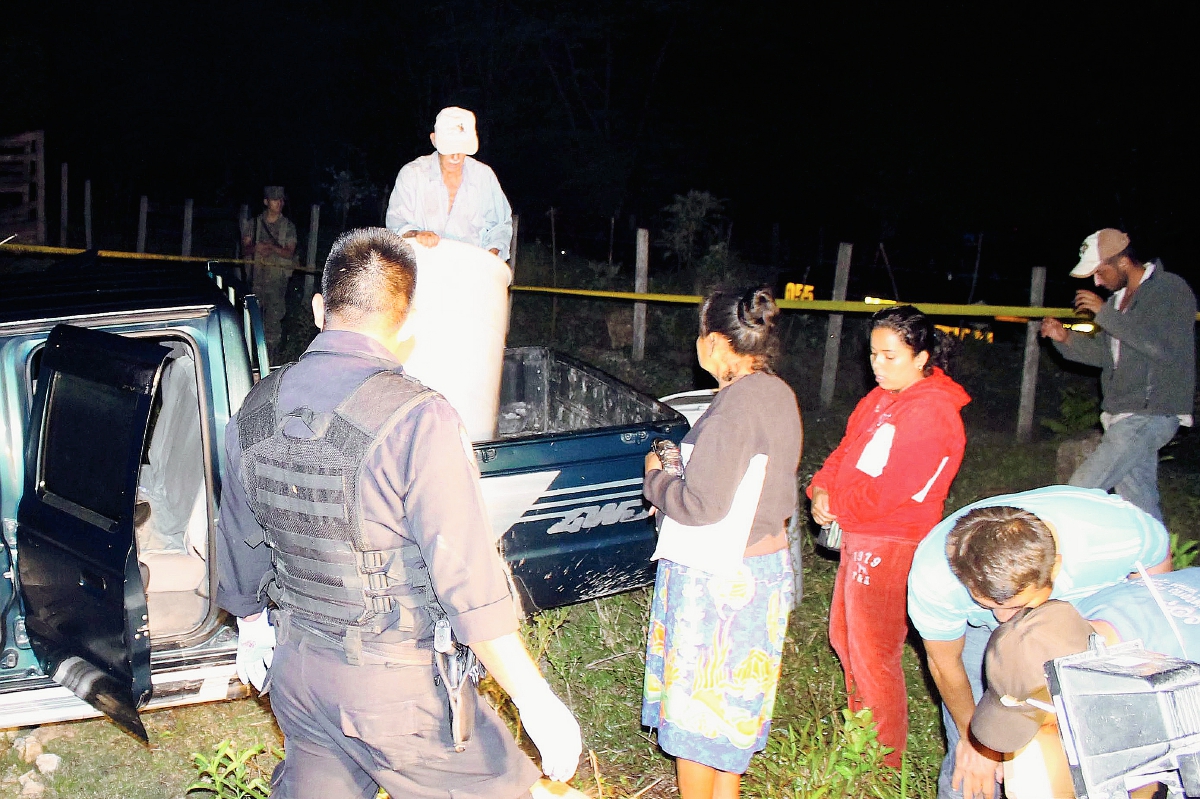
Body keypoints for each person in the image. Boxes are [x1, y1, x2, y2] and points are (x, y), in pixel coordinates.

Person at [215, 227, 581, 798]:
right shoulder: (418, 419)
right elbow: (469, 584)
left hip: (298, 672)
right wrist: (534, 698)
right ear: (408, 324)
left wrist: (253, 631)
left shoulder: (257, 406)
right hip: (396, 692)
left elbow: (238, 543)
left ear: (318, 308)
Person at [641, 287, 802, 799]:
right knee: (728, 714)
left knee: (696, 715)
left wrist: (657, 481)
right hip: (761, 570)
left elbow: (702, 505)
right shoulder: (777, 393)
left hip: (719, 585)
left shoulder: (734, 407)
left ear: (714, 341)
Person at [909, 486, 1172, 799]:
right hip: (980, 636)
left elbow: (1154, 587)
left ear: (1056, 566)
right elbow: (945, 664)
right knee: (976, 764)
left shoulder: (1117, 534)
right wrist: (975, 739)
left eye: (1017, 605)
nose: (1004, 619)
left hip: (1084, 611)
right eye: (988, 603)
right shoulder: (936, 578)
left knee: (1099, 738)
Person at [807, 305, 969, 766]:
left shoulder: (933, 412)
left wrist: (841, 506)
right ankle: (860, 738)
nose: (877, 365)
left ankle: (881, 761)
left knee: (874, 651)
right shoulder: (879, 400)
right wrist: (820, 487)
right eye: (873, 354)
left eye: (890, 355)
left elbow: (897, 490)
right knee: (845, 637)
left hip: (893, 541)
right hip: (860, 535)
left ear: (921, 357)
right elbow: (843, 455)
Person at [1039, 228, 1196, 521]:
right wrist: (1065, 339)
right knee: (1139, 508)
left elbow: (1163, 348)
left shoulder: (1170, 290)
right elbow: (1104, 356)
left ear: (1123, 262)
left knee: (1079, 489)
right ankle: (1153, 562)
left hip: (1151, 413)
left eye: (1101, 272)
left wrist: (1106, 315)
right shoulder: (1115, 302)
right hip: (1120, 414)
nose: (1097, 281)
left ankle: (1042, 552)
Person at [385, 106, 513, 260]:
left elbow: (500, 228)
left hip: (470, 268)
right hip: (422, 266)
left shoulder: (484, 177)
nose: (456, 157)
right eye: (450, 147)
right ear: (434, 140)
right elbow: (396, 224)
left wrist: (491, 255)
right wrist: (416, 234)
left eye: (462, 148)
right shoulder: (412, 175)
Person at [241, 185, 298, 363]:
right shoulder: (254, 224)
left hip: (277, 282)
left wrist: (271, 248)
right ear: (266, 202)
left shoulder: (287, 226)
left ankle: (271, 363)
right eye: (275, 200)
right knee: (253, 322)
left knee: (273, 324)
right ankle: (251, 360)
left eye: (281, 200)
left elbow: (289, 252)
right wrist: (255, 248)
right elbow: (244, 248)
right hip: (256, 279)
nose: (279, 203)